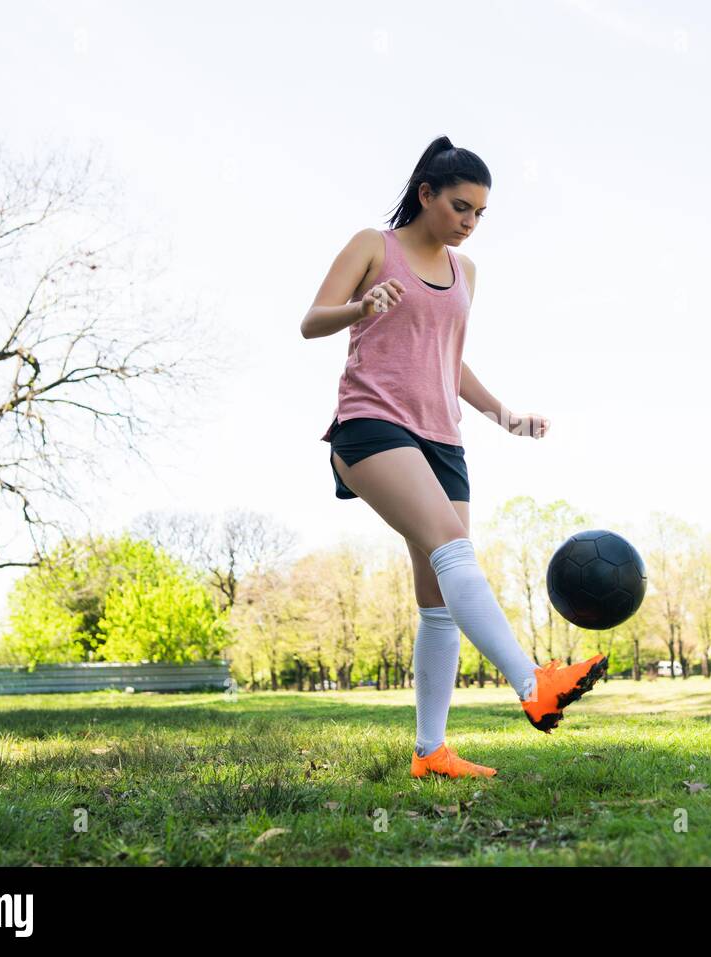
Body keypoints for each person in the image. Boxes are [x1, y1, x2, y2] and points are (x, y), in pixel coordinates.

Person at [299, 136, 607, 779]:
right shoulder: (372, 247)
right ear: (426, 195)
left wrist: (504, 415)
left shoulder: (467, 274)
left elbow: (446, 358)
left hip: (443, 438)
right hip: (372, 426)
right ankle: (533, 684)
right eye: (460, 207)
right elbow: (312, 320)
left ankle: (429, 751)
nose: (469, 223)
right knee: (453, 549)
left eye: (479, 214)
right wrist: (363, 306)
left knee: (438, 597)